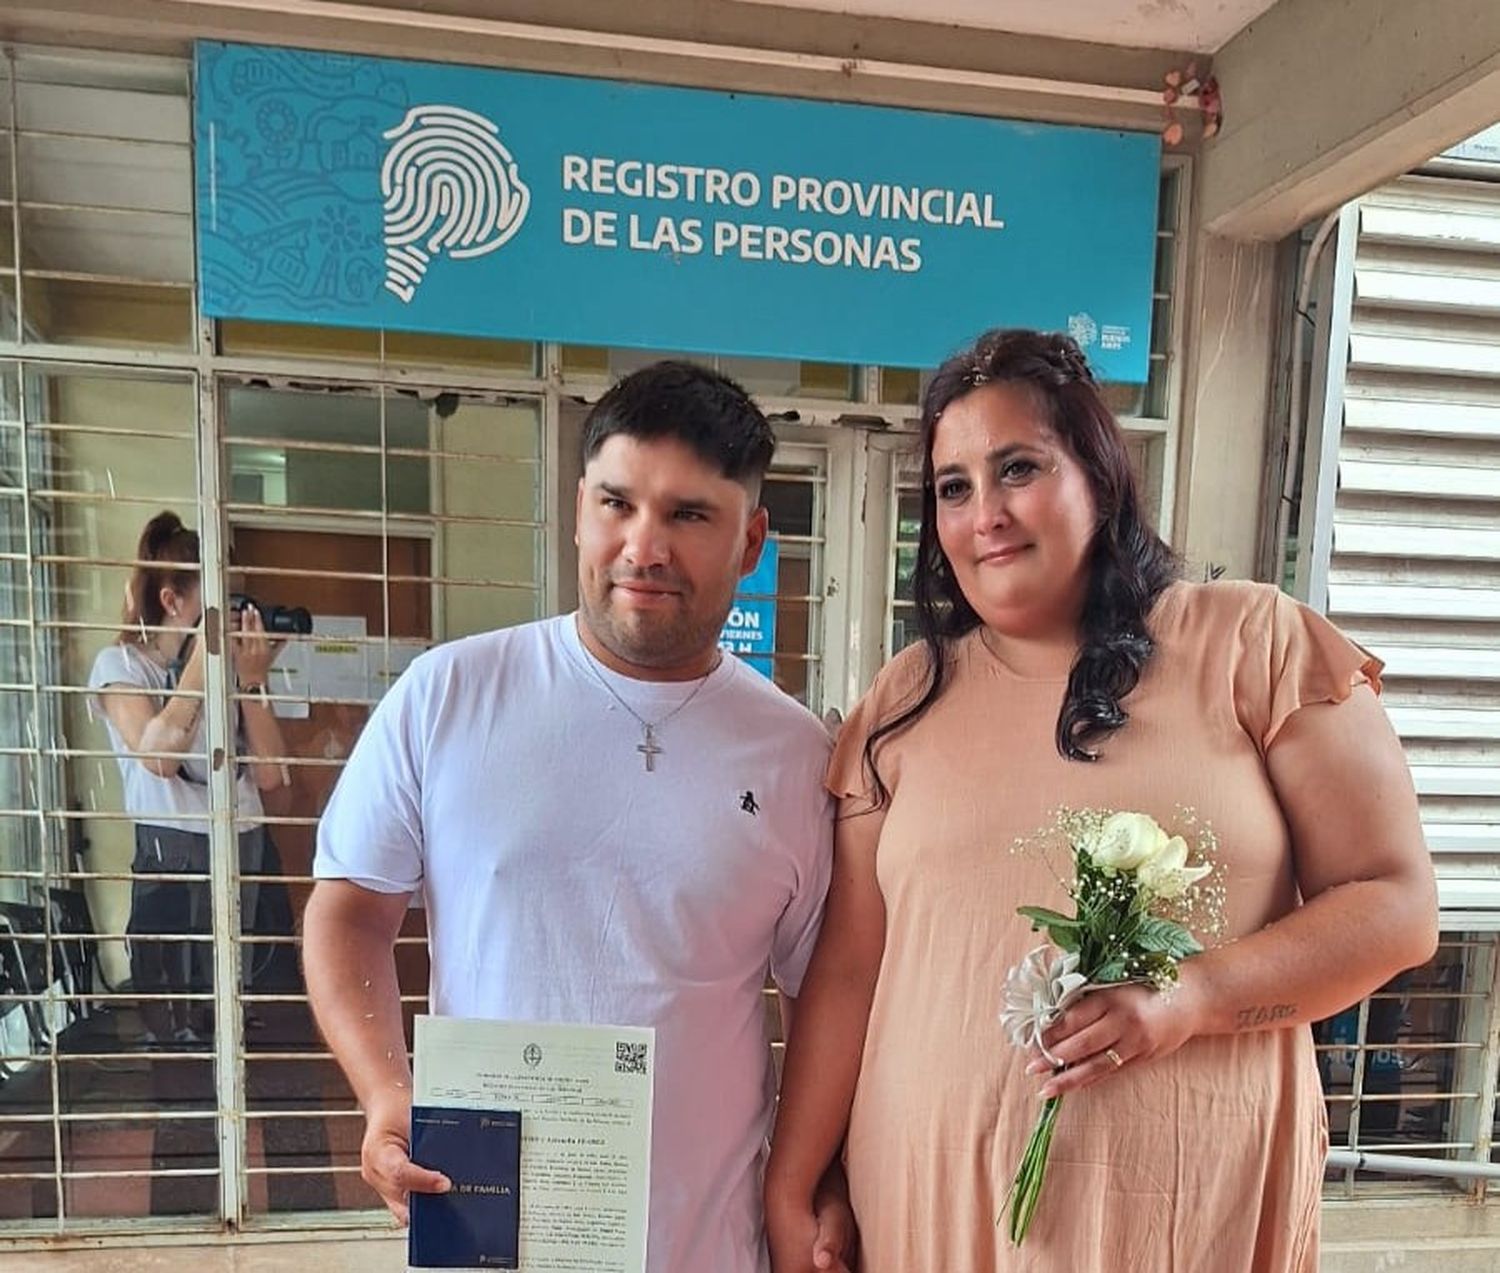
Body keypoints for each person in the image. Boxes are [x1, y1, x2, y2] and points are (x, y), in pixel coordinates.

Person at [763, 329, 1438, 1272]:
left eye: (1018, 468)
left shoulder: (1253, 645)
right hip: (928, 1210)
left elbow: (1396, 907)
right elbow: (847, 972)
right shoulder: (904, 699)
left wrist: (1195, 996)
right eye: (953, 486)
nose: (986, 513)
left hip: (1188, 1215)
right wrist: (798, 1183)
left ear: (1099, 474)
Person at [303, 361, 853, 1273]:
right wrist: (385, 1090)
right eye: (617, 503)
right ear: (577, 508)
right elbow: (350, 909)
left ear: (752, 540)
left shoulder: (795, 755)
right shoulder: (448, 696)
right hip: (487, 1238)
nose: (645, 547)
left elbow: (820, 995)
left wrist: (815, 1176)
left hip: (704, 1248)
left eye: (689, 514)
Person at [90, 510, 287, 1046]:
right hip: (171, 853)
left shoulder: (233, 670)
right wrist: (205, 656)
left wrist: (251, 682)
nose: (234, 614)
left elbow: (271, 774)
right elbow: (159, 757)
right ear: (172, 601)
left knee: (247, 1022)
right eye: (219, 601)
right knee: (177, 1032)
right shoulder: (121, 666)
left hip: (245, 847)